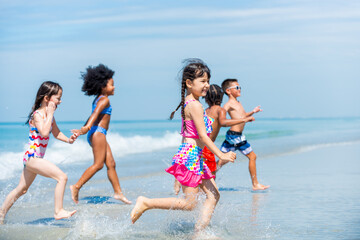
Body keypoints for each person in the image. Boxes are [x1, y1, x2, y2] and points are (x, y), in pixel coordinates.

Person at [130, 59, 236, 236]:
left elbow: (186, 136)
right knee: (189, 204)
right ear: (189, 83)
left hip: (194, 156)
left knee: (213, 195)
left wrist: (178, 177)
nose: (207, 85)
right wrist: (221, 155)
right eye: (202, 81)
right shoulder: (194, 105)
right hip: (191, 156)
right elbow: (202, 136)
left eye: (208, 81)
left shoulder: (193, 103)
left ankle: (198, 234)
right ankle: (146, 202)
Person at [0, 81, 77, 224]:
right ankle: (58, 211)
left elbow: (56, 133)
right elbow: (44, 132)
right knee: (62, 177)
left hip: (35, 158)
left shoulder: (49, 116)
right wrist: (50, 113)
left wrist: (69, 140)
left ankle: (1, 213)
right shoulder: (37, 115)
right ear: (47, 98)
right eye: (58, 98)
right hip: (32, 157)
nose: (60, 101)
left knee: (22, 189)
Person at [173, 84, 255, 194]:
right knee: (210, 174)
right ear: (221, 96)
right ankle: (204, 196)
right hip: (208, 146)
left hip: (200, 146)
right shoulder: (220, 110)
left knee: (197, 171)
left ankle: (182, 185)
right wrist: (243, 120)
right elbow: (223, 122)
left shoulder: (205, 110)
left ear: (206, 98)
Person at [70, 64, 131, 205]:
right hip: (98, 134)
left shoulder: (98, 98)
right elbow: (95, 114)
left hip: (97, 133)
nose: (114, 87)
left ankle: (118, 193)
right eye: (111, 85)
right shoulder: (104, 100)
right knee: (98, 165)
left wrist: (84, 129)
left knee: (111, 163)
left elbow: (93, 115)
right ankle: (76, 186)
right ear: (102, 86)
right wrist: (86, 127)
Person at [220, 78, 270, 191]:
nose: (239, 89)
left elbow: (242, 115)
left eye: (240, 87)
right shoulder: (229, 104)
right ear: (228, 91)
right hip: (234, 136)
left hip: (235, 136)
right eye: (237, 87)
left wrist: (253, 112)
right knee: (252, 156)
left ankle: (205, 179)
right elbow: (222, 116)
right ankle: (255, 184)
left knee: (222, 161)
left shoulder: (238, 103)